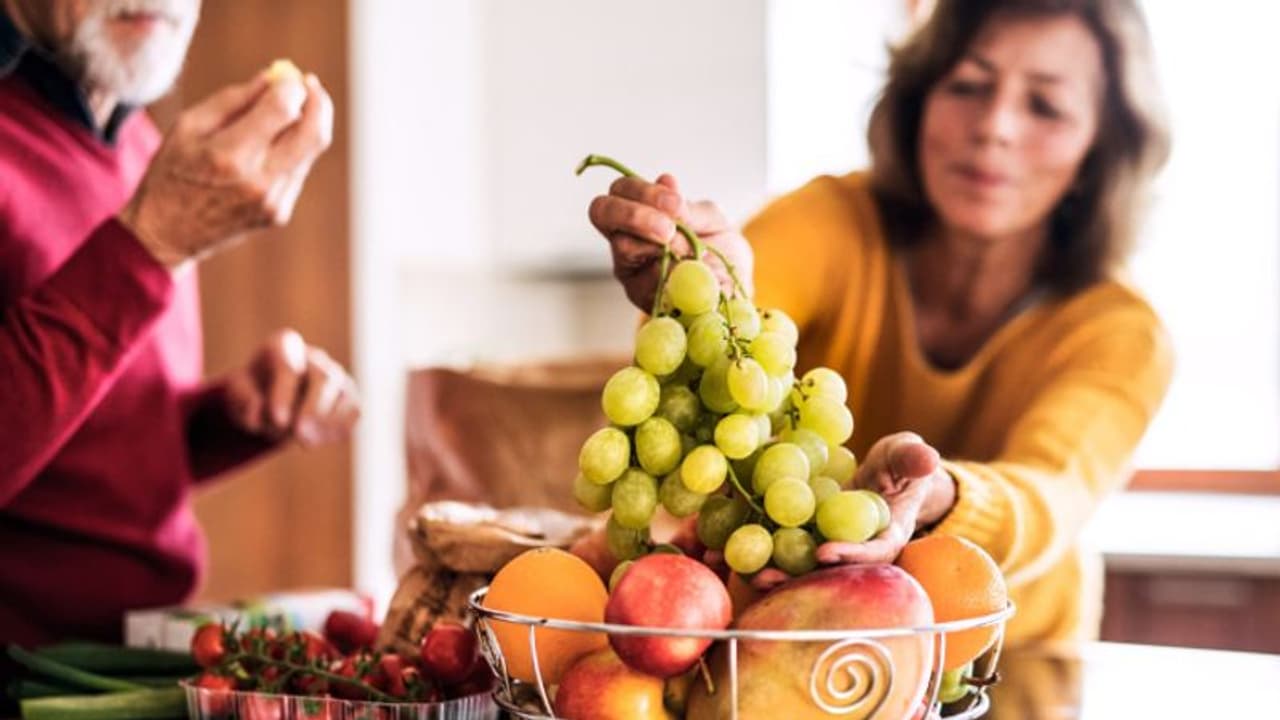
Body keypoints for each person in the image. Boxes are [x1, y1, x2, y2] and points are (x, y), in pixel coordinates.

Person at [588, 0, 1172, 648]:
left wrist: (941, 498)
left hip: (1006, 658)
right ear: (919, 99)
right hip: (800, 639)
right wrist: (705, 297)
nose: (995, 126)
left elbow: (1053, 492)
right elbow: (734, 328)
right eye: (968, 85)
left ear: (1099, 149)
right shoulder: (831, 220)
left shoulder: (1121, 329)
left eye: (1046, 106)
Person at [1, 0, 359, 647]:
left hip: (131, 658)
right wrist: (150, 243)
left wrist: (234, 417)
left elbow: (72, 466)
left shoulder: (141, 144)